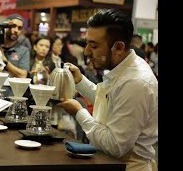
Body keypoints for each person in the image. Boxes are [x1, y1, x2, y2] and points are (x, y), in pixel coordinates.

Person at [57, 9, 158, 171]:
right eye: (87, 43)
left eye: (94, 45)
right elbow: (109, 100)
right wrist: (80, 81)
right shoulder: (124, 66)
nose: (86, 51)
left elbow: (115, 146)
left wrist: (79, 112)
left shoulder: (136, 82)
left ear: (118, 47)